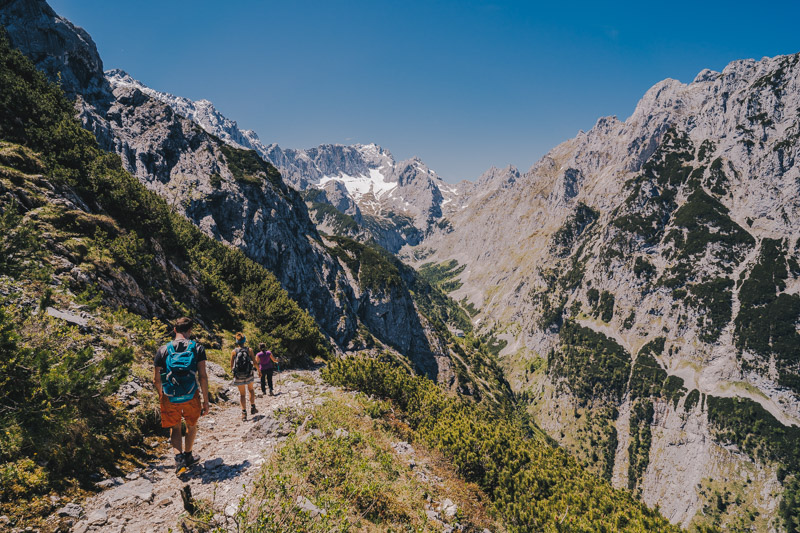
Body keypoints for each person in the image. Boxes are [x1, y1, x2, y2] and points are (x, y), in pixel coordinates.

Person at [153, 317, 209, 475]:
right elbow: (203, 376)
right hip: (191, 395)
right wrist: (206, 401)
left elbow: (156, 379)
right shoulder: (197, 348)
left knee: (175, 426)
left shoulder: (163, 350)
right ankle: (189, 455)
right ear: (190, 331)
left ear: (175, 330)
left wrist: (161, 396)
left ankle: (179, 461)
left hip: (169, 395)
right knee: (191, 425)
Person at [231, 332, 258, 421]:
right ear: (245, 340)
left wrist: (234, 374)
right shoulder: (249, 350)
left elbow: (232, 366)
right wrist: (259, 371)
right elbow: (254, 362)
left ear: (237, 342)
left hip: (239, 376)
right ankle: (253, 407)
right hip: (248, 374)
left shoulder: (234, 352)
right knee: (251, 390)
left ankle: (244, 413)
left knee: (242, 394)